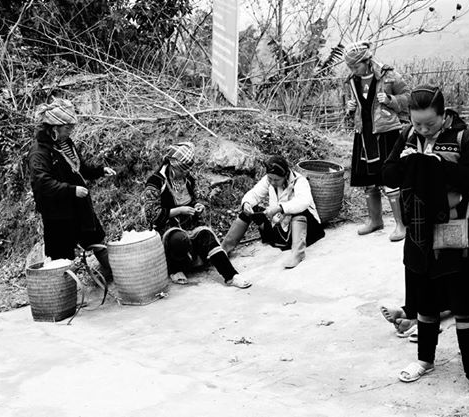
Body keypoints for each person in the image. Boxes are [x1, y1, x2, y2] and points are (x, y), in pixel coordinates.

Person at [382, 86, 469, 404]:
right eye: (416, 123)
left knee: (464, 307)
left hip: (454, 234)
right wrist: (407, 163)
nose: (422, 129)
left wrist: (436, 164)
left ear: (444, 116)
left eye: (429, 124)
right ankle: (425, 361)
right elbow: (388, 175)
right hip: (418, 235)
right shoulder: (407, 135)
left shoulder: (462, 137)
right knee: (426, 303)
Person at [142, 142, 251, 289]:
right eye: (182, 171)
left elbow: (192, 201)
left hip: (189, 225)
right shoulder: (156, 182)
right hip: (166, 229)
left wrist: (197, 207)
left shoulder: (188, 180)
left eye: (186, 171)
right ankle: (175, 269)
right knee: (178, 239)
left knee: (207, 235)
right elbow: (151, 214)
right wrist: (179, 210)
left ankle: (231, 276)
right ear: (172, 165)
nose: (185, 174)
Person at [29, 98, 115, 281]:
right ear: (54, 128)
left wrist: (100, 171)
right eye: (67, 128)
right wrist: (71, 190)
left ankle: (115, 275)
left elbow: (79, 168)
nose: (71, 131)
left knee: (96, 240)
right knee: (62, 257)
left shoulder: (66, 144)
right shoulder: (39, 152)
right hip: (58, 214)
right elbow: (42, 182)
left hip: (79, 207)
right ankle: (64, 291)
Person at [344, 41, 410, 242]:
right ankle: (375, 220)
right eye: (350, 67)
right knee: (368, 179)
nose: (353, 70)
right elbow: (354, 107)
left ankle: (400, 224)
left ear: (367, 60)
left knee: (390, 177)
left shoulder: (388, 75)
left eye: (356, 66)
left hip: (386, 132)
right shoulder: (352, 80)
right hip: (364, 133)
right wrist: (350, 108)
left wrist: (390, 100)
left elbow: (408, 96)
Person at [221, 155, 324, 269]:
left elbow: (303, 202)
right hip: (280, 229)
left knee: (299, 211)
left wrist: (280, 208)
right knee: (250, 211)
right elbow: (254, 194)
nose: (272, 182)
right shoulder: (268, 180)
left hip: (307, 231)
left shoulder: (300, 181)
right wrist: (246, 203)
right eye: (270, 179)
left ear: (285, 175)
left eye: (276, 180)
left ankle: (298, 254)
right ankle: (224, 249)